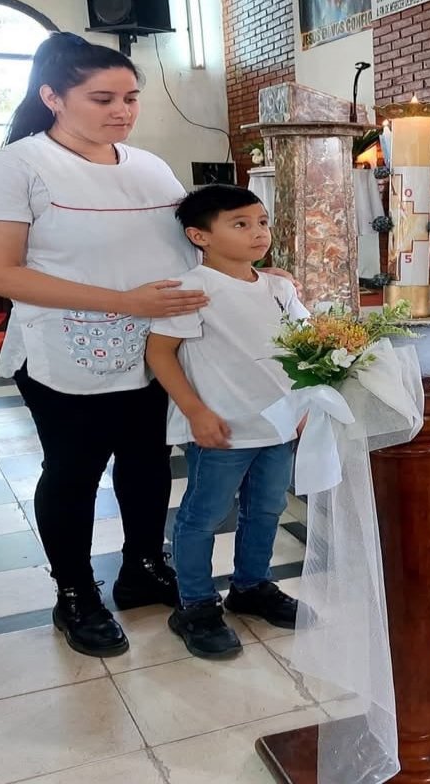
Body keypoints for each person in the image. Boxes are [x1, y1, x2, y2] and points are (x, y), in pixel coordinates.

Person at [0, 32, 215, 659]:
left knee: (148, 463)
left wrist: (250, 273)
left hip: (155, 348)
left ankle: (143, 566)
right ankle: (74, 592)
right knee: (74, 472)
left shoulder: (149, 166)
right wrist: (126, 302)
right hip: (67, 352)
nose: (121, 111)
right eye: (102, 99)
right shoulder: (11, 168)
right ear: (52, 97)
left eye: (131, 98)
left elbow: (189, 246)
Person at [145, 185, 307, 659]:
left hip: (277, 425)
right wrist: (196, 411)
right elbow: (160, 353)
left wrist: (303, 406)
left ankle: (251, 587)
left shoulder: (279, 288)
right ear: (200, 236)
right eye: (241, 224)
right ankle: (195, 604)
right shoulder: (191, 290)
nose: (259, 233)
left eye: (262, 222)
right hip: (222, 429)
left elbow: (306, 346)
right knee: (203, 517)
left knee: (267, 509)